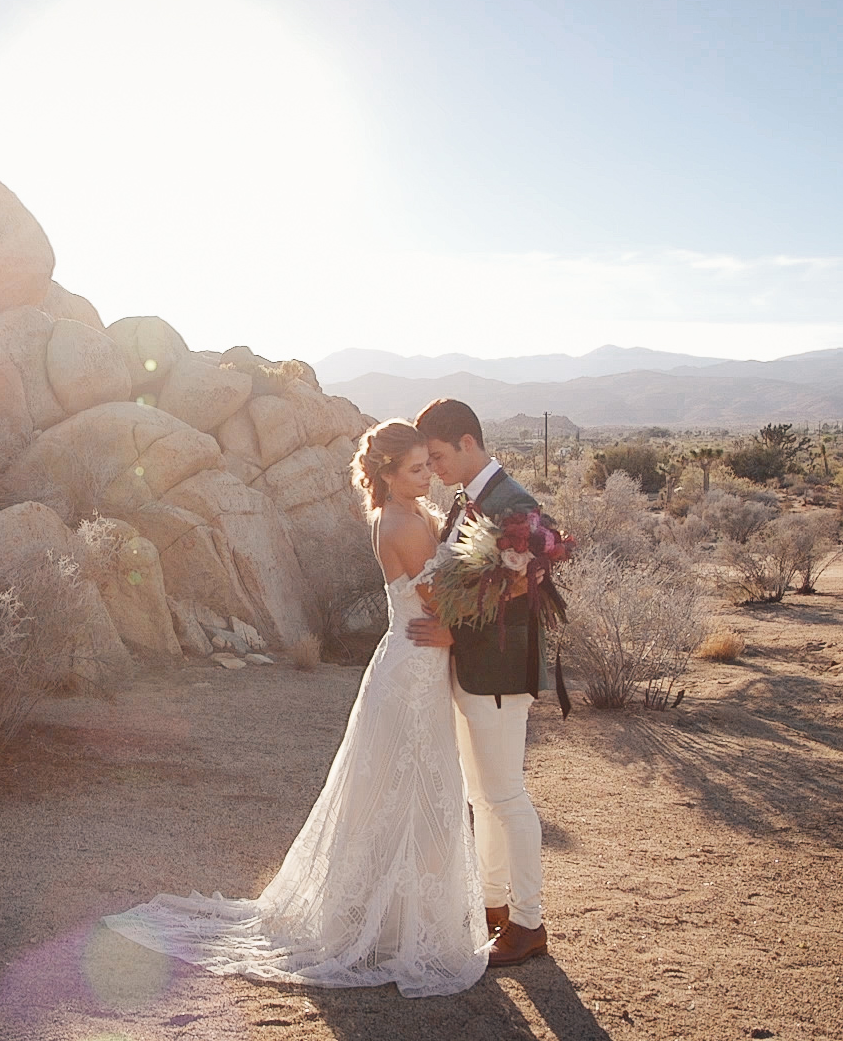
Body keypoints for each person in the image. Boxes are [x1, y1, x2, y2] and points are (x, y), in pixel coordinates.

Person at [101, 420, 490, 998]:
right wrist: (494, 579)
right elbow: (445, 606)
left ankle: (392, 917)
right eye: (415, 469)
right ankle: (391, 923)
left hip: (413, 663)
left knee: (406, 788)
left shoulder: (405, 514)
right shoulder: (405, 523)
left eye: (427, 466)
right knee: (404, 786)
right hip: (413, 668)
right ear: (386, 473)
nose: (428, 477)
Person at [408, 397, 551, 967]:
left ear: (468, 442)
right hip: (473, 672)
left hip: (497, 671)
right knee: (483, 798)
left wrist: (453, 636)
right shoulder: (470, 501)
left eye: (439, 456)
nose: (435, 469)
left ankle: (529, 922)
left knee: (506, 798)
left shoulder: (513, 504)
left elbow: (521, 596)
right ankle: (494, 910)